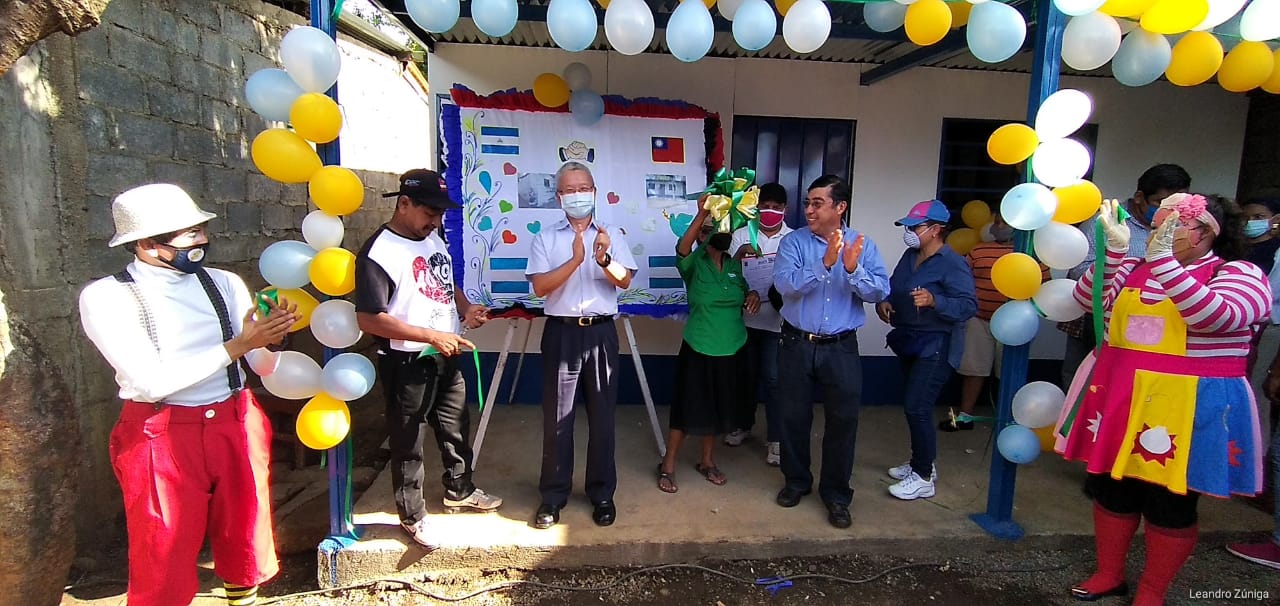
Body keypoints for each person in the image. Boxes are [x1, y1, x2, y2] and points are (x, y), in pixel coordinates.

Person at [80, 183, 298, 606]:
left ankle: (242, 598)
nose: (201, 241)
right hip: (160, 431)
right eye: (189, 234)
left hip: (234, 417)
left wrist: (272, 338)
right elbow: (149, 382)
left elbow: (260, 365)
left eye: (201, 230)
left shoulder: (223, 283)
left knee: (244, 529)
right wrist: (238, 345)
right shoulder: (107, 297)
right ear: (147, 244)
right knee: (162, 544)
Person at [1056, 194, 1269, 606]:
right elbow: (1085, 300)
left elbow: (1218, 316)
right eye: (1157, 228)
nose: (1159, 236)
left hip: (1187, 406)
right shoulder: (1134, 268)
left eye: (1173, 227)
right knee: (1112, 490)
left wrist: (1165, 265)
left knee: (1170, 501)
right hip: (1122, 397)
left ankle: (1152, 591)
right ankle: (1109, 574)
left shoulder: (1238, 273)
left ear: (1207, 233)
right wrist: (1112, 255)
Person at [355, 169, 503, 549]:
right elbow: (369, 318)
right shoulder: (378, 253)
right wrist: (430, 336)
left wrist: (466, 309)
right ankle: (412, 516)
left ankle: (459, 489)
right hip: (407, 361)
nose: (435, 221)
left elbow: (445, 283)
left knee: (455, 425)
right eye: (429, 213)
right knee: (409, 440)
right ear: (403, 204)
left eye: (439, 214)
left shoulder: (431, 238)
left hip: (445, 352)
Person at [773, 174, 890, 529]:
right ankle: (796, 481)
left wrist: (852, 269)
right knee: (792, 417)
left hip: (841, 348)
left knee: (843, 421)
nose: (809, 210)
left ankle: (837, 495)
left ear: (840, 207)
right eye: (807, 203)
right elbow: (785, 285)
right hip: (796, 343)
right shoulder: (793, 243)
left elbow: (879, 291)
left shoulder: (862, 245)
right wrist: (824, 263)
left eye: (817, 203)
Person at [525, 161, 638, 529]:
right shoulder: (546, 238)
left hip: (601, 333)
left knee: (603, 419)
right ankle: (553, 496)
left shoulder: (611, 234)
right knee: (558, 420)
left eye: (583, 188)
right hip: (562, 333)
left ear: (594, 192)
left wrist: (602, 258)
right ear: (559, 196)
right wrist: (576, 259)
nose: (578, 195)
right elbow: (540, 288)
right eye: (570, 190)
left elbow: (624, 281)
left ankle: (602, 493)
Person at [875, 200, 976, 500]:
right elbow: (893, 287)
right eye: (907, 227)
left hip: (937, 345)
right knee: (915, 406)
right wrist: (884, 302)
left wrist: (935, 301)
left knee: (917, 406)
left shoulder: (953, 263)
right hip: (910, 341)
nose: (909, 232)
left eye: (914, 227)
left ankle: (922, 477)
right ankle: (922, 462)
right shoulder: (910, 256)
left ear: (935, 230)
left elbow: (968, 306)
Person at [1060, 164, 1191, 389]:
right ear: (1139, 197)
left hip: (1153, 322)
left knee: (1130, 382)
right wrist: (1124, 274)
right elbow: (1079, 268)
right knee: (1084, 380)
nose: (1169, 212)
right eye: (1160, 203)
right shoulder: (1107, 222)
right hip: (1098, 318)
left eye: (1177, 205)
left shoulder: (1181, 227)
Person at [657, 207, 759, 493]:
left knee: (717, 408)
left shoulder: (734, 266)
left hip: (732, 348)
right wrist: (702, 214)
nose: (721, 233)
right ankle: (668, 465)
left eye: (724, 227)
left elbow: (744, 290)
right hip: (699, 347)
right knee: (686, 408)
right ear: (702, 234)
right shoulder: (693, 264)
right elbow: (682, 247)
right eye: (713, 228)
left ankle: (707, 461)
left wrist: (752, 294)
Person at [942, 212, 1047, 432]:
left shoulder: (1033, 255)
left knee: (1010, 372)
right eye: (997, 222)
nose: (998, 226)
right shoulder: (978, 250)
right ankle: (965, 416)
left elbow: (1045, 286)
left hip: (1015, 323)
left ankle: (1011, 420)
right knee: (973, 370)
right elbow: (962, 281)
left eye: (1004, 222)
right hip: (979, 319)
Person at [725, 182, 793, 465]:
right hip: (745, 321)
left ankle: (776, 439)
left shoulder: (793, 239)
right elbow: (727, 274)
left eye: (776, 207)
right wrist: (743, 285)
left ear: (785, 209)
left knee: (775, 381)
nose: (770, 211)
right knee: (745, 377)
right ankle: (742, 424)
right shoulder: (742, 235)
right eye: (765, 206)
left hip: (778, 323)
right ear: (756, 207)